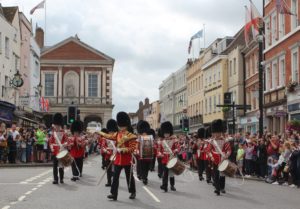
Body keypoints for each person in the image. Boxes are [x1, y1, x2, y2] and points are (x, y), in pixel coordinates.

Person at [99, 112, 137, 201]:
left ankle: (132, 191)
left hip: (127, 160)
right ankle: (114, 194)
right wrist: (99, 132)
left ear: (126, 125)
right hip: (118, 159)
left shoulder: (130, 136)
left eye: (123, 126)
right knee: (115, 177)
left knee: (129, 177)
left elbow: (132, 148)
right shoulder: (117, 134)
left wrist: (122, 150)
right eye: (120, 126)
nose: (121, 128)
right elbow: (108, 136)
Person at [209, 119, 232, 196]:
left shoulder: (225, 141)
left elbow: (229, 150)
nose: (216, 134)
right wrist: (211, 156)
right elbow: (208, 150)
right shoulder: (212, 141)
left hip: (222, 158)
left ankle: (222, 188)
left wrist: (226, 156)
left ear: (220, 132)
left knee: (222, 174)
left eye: (218, 132)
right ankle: (217, 189)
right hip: (215, 159)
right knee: (216, 174)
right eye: (215, 132)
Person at [49, 113, 68, 184]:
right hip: (55, 151)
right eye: (56, 125)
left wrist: (63, 145)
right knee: (54, 166)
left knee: (61, 166)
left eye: (57, 125)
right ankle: (55, 179)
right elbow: (50, 141)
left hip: (61, 150)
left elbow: (67, 141)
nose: (56, 126)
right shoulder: (53, 133)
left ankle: (61, 178)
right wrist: (51, 148)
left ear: (60, 125)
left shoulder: (64, 133)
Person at [160, 121, 177, 192]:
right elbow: (159, 150)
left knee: (171, 173)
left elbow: (178, 148)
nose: (166, 135)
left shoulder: (174, 140)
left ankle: (172, 185)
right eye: (165, 133)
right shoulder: (162, 141)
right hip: (164, 159)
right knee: (165, 173)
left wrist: (175, 151)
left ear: (169, 133)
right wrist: (160, 153)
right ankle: (165, 186)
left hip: (171, 158)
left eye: (167, 133)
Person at [102, 119, 118, 187]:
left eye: (112, 131)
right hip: (108, 155)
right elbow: (103, 145)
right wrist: (105, 150)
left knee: (114, 170)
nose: (111, 132)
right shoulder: (106, 137)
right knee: (108, 169)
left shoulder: (117, 137)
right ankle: (109, 181)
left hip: (115, 155)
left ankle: (114, 181)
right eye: (110, 131)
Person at [136, 120, 153, 185]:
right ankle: (144, 178)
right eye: (143, 132)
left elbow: (152, 146)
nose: (144, 133)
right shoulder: (139, 139)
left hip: (148, 156)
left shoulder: (150, 138)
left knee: (146, 168)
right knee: (142, 167)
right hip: (141, 156)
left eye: (145, 132)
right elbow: (137, 147)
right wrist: (137, 151)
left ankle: (145, 176)